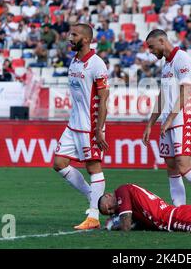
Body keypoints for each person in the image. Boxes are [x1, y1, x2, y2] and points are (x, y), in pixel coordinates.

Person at [142, 29, 191, 215]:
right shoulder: (166, 65)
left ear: (162, 41)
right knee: (170, 166)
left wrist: (170, 119)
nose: (151, 51)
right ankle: (179, 211)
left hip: (182, 118)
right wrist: (149, 124)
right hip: (167, 121)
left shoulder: (182, 59)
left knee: (184, 166)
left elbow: (186, 92)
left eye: (152, 47)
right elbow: (162, 96)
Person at [53, 23, 110, 231]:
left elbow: (104, 99)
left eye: (74, 35)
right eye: (70, 34)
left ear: (86, 39)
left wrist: (99, 129)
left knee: (93, 167)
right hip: (73, 124)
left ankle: (94, 216)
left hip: (89, 125)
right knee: (59, 163)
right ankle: (94, 197)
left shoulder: (97, 64)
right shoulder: (75, 61)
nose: (70, 38)